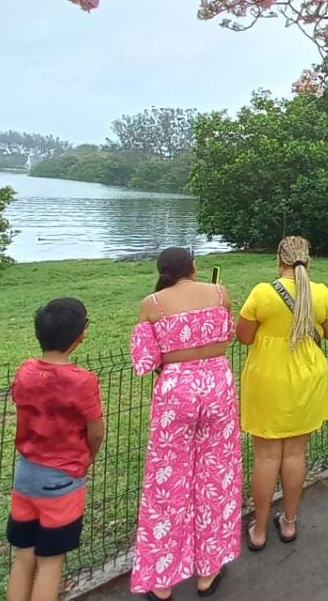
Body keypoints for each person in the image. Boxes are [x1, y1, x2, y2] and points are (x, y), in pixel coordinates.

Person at [129, 248, 239, 600]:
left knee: (167, 483)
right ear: (193, 267)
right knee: (216, 478)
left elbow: (144, 361)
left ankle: (161, 581)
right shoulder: (220, 293)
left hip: (175, 391)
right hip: (218, 387)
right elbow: (227, 336)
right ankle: (208, 570)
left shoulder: (152, 304)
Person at [236, 236, 328, 550]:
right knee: (296, 454)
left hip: (267, 382)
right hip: (306, 383)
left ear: (279, 261)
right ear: (308, 261)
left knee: (266, 457)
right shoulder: (320, 293)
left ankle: (259, 530)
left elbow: (243, 337)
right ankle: (289, 521)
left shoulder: (262, 293)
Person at [7, 298, 106, 601]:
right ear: (80, 335)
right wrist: (89, 456)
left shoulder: (25, 371)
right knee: (51, 561)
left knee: (23, 555)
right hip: (62, 480)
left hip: (25, 474)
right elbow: (96, 430)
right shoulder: (82, 381)